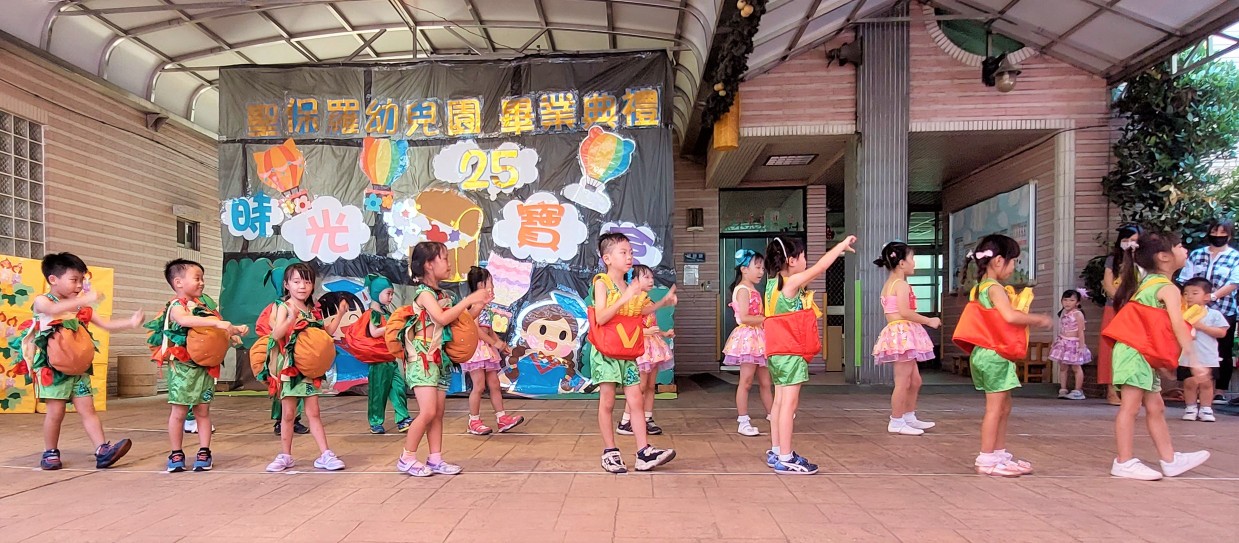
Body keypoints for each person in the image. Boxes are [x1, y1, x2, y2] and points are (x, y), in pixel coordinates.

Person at [18, 253, 143, 470]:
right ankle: (50, 452)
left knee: (88, 410)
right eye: (74, 279)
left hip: (79, 369)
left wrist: (131, 323)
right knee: (56, 413)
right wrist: (84, 299)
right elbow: (52, 310)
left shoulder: (80, 308)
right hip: (53, 369)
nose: (79, 285)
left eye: (81, 280)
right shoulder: (43, 301)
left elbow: (106, 325)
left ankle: (102, 449)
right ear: (53, 279)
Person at [1104, 230, 1210, 480]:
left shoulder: (1149, 282)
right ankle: (1124, 461)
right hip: (1136, 352)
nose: (1185, 250)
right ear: (1163, 256)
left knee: (1156, 406)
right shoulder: (1167, 288)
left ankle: (1169, 459)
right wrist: (1194, 360)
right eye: (1180, 246)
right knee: (1130, 407)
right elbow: (1177, 325)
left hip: (1137, 351)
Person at [952, 235, 1052, 477]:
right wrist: (1038, 319)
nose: (1014, 266)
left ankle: (998, 453)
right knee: (995, 409)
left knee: (1004, 406)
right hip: (994, 353)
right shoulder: (995, 288)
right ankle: (987, 457)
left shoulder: (980, 287)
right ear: (998, 261)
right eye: (1013, 261)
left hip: (987, 352)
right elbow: (1010, 316)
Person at [394, 242, 492, 476]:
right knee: (428, 412)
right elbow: (441, 318)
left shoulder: (445, 295)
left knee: (437, 413)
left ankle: (435, 458)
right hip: (421, 360)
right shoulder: (424, 294)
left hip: (439, 361)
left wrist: (479, 304)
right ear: (429, 264)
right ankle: (407, 458)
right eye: (445, 258)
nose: (449, 264)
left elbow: (462, 320)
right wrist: (468, 300)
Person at [764, 234, 856, 475]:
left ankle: (777, 451)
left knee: (779, 402)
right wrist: (840, 246)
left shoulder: (772, 284)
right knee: (788, 405)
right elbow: (822, 267)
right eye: (803, 256)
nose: (806, 261)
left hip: (776, 353)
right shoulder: (791, 283)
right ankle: (786, 457)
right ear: (792, 260)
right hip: (791, 352)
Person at [146, 259, 246, 472]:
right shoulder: (176, 306)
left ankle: (204, 451)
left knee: (203, 411)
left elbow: (213, 331)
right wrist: (217, 323)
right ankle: (176, 453)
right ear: (178, 282)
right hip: (182, 368)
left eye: (203, 278)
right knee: (179, 412)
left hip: (205, 368)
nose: (202, 282)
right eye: (197, 278)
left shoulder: (204, 308)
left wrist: (234, 332)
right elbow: (185, 321)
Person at [591, 233, 677, 473]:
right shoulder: (602, 283)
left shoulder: (629, 285)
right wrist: (625, 297)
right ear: (607, 258)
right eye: (623, 252)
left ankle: (643, 452)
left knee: (636, 400)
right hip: (607, 352)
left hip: (628, 352)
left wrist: (663, 302)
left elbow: (639, 311)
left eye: (630, 252)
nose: (629, 257)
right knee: (608, 401)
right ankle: (610, 452)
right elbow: (601, 317)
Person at [265, 263, 348, 472]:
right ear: (286, 285)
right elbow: (276, 334)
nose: (302, 286)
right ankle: (286, 455)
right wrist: (291, 319)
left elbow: (326, 333)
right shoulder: (283, 307)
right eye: (296, 281)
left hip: (309, 371)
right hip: (290, 370)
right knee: (288, 414)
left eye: (307, 281)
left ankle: (325, 454)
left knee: (314, 412)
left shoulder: (312, 310)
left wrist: (339, 314)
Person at [871, 241, 940, 436]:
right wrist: (929, 320)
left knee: (915, 380)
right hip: (902, 334)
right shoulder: (900, 284)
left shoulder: (892, 283)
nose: (914, 263)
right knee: (903, 382)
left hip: (901, 333)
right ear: (901, 263)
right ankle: (896, 420)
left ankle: (908, 416)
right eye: (912, 259)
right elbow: (905, 312)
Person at [1177, 219, 1239, 405]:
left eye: (1223, 233)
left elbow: (1234, 282)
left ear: (1230, 235)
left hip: (1224, 308)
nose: (1218, 236)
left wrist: (1212, 296)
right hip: (1193, 310)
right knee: (1193, 343)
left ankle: (1218, 390)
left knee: (1223, 349)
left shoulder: (1235, 257)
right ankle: (1192, 389)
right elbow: (1185, 279)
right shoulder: (1197, 254)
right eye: (1214, 232)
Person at [462, 266, 524, 436]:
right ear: (480, 285)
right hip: (476, 350)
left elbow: (488, 329)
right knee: (479, 385)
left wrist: (500, 344)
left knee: (495, 384)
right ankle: (473, 421)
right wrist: (494, 343)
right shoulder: (473, 304)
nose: (493, 287)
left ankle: (502, 418)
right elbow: (476, 330)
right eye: (490, 283)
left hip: (487, 349)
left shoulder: (486, 306)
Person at [618, 265, 675, 436]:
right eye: (646, 277)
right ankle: (625, 421)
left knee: (650, 386)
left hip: (653, 348)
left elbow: (652, 324)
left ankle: (647, 418)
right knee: (639, 386)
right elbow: (627, 328)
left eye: (652, 277)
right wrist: (645, 332)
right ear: (634, 281)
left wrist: (663, 333)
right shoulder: (631, 301)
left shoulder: (648, 300)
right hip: (640, 348)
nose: (651, 281)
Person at [723, 249, 772, 437]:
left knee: (766, 382)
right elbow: (744, 317)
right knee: (746, 381)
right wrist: (768, 319)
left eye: (762, 268)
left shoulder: (752, 289)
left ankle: (773, 415)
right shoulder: (743, 290)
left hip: (758, 337)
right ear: (744, 269)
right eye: (757, 267)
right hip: (749, 338)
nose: (761, 271)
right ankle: (743, 421)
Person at [356, 273, 412, 434]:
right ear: (376, 293)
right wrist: (392, 326)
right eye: (388, 293)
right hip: (378, 360)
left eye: (392, 294)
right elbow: (374, 332)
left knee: (398, 387)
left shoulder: (386, 312)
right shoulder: (373, 313)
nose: (391, 297)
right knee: (378, 392)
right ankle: (375, 421)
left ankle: (403, 418)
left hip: (390, 358)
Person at [1101, 224, 1143, 405]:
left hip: (1138, 309)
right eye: (1126, 240)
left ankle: (1133, 390)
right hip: (1115, 307)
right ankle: (1111, 390)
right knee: (1110, 348)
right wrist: (1120, 300)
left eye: (1134, 240)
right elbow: (1108, 283)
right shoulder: (1113, 259)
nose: (1130, 243)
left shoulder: (1144, 260)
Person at [1178, 278, 1228, 422]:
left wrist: (1202, 327)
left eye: (1195, 293)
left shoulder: (1214, 314)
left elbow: (1222, 332)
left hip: (1208, 355)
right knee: (1189, 383)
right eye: (1186, 293)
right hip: (1187, 356)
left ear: (1206, 296)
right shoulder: (1181, 313)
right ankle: (1190, 407)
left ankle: (1206, 408)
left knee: (1206, 383)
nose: (1189, 296)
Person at [1049, 289, 1091, 401]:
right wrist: (1057, 341)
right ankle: (1063, 389)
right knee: (1063, 366)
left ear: (1077, 302)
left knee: (1076, 366)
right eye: (1065, 300)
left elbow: (1081, 331)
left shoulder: (1078, 314)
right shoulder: (1064, 313)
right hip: (1063, 342)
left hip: (1074, 343)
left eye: (1071, 300)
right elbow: (1063, 328)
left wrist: (1081, 346)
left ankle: (1078, 390)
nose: (1068, 303)